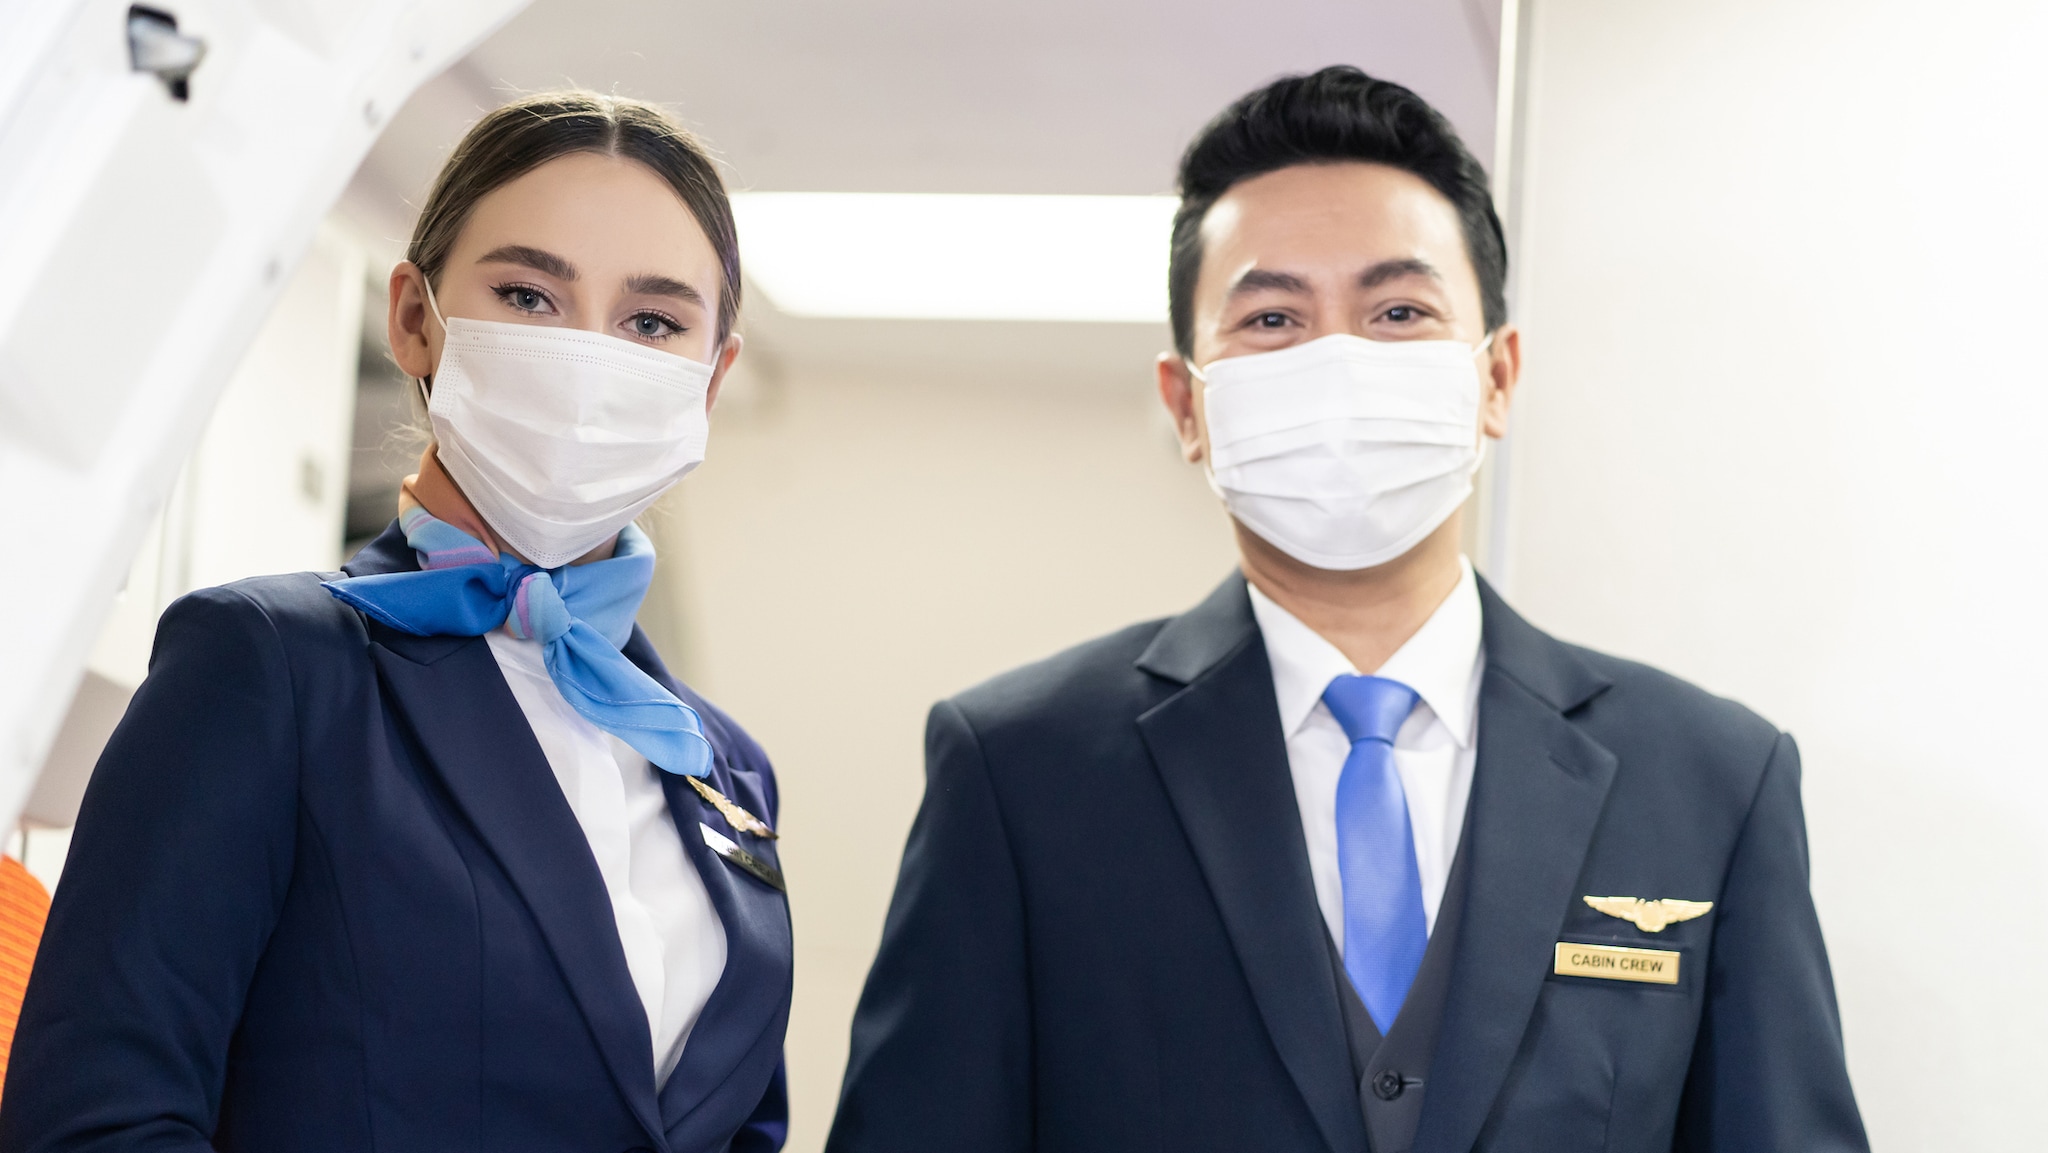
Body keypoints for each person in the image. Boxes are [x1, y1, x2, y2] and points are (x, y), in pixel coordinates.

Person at [827, 66, 1868, 1153]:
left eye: (1397, 311)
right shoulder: (1019, 769)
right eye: (1272, 316)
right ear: (1186, 404)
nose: (1337, 360)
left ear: (1495, 378)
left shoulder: (1706, 779)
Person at [1, 92, 790, 1153]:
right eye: (528, 294)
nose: (591, 361)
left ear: (710, 378)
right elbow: (97, 1120)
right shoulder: (267, 669)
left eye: (651, 322)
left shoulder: (722, 768)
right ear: (414, 317)